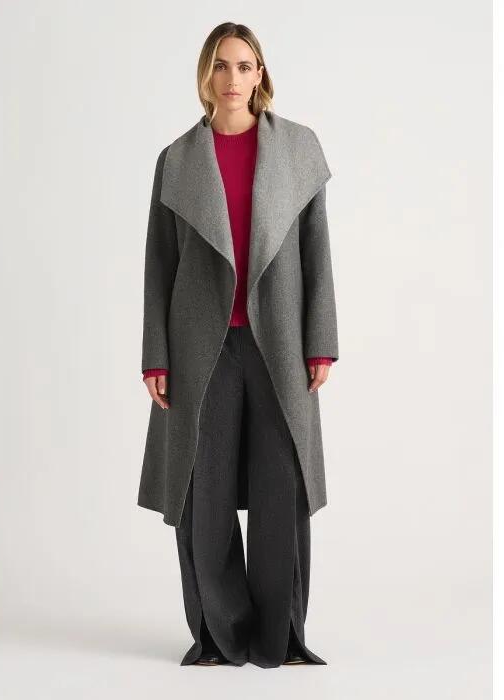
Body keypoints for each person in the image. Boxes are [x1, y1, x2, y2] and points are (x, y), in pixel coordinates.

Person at [138, 22, 339, 668]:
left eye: (244, 66)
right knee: (206, 494)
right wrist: (155, 355)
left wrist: (320, 342)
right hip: (200, 347)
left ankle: (280, 637)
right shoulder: (177, 160)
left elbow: (317, 251)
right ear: (206, 74)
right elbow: (159, 264)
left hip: (278, 340)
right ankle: (219, 637)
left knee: (283, 489)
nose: (232, 79)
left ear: (261, 75)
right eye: (221, 66)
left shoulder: (298, 149)